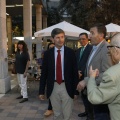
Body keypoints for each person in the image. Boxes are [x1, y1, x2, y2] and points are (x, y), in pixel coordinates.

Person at [39, 28, 79, 120]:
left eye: (62, 37)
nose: (60, 40)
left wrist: (76, 91)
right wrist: (41, 91)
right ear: (52, 39)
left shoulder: (71, 52)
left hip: (67, 86)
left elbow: (74, 73)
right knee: (57, 114)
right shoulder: (47, 54)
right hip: (53, 86)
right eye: (57, 37)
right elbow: (44, 73)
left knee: (67, 114)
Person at [77, 23, 112, 120]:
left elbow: (107, 74)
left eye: (92, 33)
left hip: (100, 95)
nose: (89, 36)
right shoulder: (94, 47)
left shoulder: (106, 49)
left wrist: (86, 81)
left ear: (101, 35)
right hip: (92, 92)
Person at [87, 33, 120, 120]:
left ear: (116, 49)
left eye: (110, 48)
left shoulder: (112, 74)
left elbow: (95, 97)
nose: (109, 51)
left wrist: (92, 77)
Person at [76, 33, 92, 117]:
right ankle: (86, 111)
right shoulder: (78, 50)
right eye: (80, 39)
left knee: (89, 97)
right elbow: (76, 62)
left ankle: (90, 115)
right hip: (79, 76)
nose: (81, 41)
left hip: (87, 76)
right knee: (83, 96)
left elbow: (88, 63)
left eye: (83, 39)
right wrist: (76, 72)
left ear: (87, 39)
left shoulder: (91, 49)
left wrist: (81, 72)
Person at [44, 42, 55, 117]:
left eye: (53, 47)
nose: (51, 49)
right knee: (51, 94)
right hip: (51, 79)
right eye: (50, 48)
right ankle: (50, 108)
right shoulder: (47, 56)